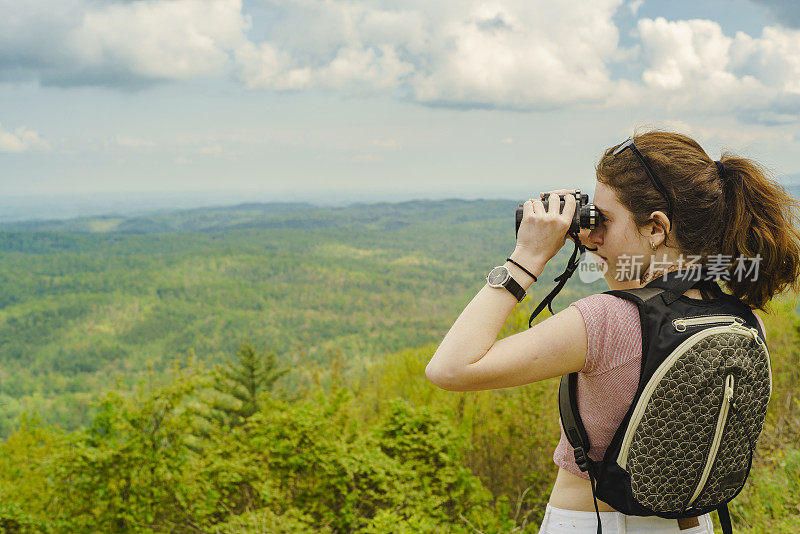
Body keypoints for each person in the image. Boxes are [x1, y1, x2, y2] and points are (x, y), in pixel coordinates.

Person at [424, 130, 800, 533]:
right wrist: (611, 244)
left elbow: (449, 369)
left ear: (656, 228)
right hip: (695, 526)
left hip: (595, 523)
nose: (592, 232)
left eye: (605, 219)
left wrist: (526, 258)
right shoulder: (744, 320)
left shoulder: (603, 321)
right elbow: (654, 302)